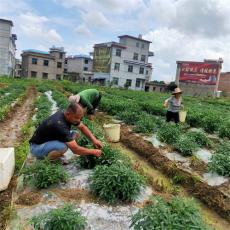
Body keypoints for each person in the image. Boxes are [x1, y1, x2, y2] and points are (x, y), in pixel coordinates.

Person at [29, 103, 103, 161]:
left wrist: (94, 140)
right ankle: (49, 161)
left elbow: (82, 127)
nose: (78, 120)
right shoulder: (60, 125)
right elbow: (76, 150)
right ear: (68, 114)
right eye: (76, 118)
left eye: (80, 118)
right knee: (62, 147)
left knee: (75, 133)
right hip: (36, 147)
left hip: (48, 140)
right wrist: (93, 152)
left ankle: (55, 152)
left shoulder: (66, 115)